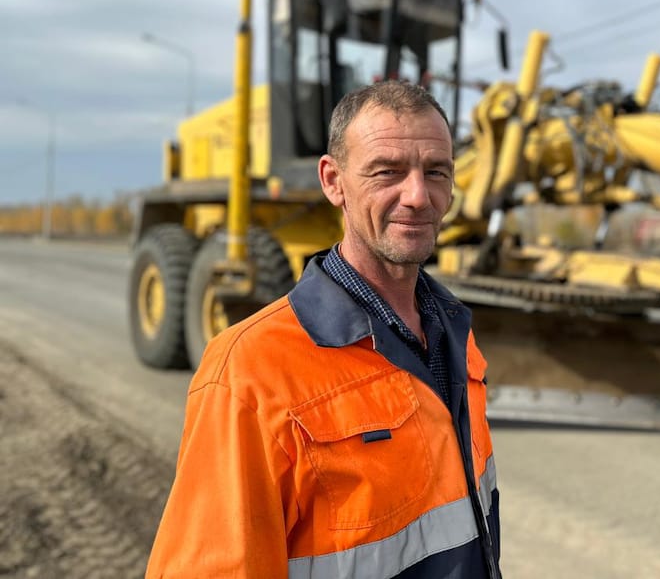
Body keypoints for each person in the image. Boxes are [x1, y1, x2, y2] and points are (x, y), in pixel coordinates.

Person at [147, 81, 501, 579]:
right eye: (388, 172)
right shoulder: (249, 372)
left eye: (436, 172)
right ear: (333, 181)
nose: (419, 196)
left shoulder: (455, 331)